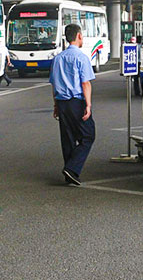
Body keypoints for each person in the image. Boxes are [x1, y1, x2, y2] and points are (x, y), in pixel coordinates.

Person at [49, 23, 96, 186]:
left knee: (67, 138)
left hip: (62, 102)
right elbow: (86, 84)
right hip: (77, 102)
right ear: (79, 36)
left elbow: (54, 84)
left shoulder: (58, 58)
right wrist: (88, 105)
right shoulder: (81, 58)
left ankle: (70, 172)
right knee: (88, 135)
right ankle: (71, 168)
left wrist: (55, 105)